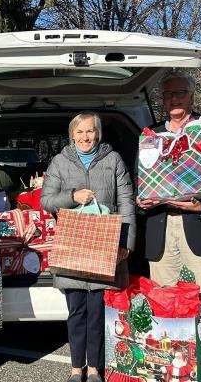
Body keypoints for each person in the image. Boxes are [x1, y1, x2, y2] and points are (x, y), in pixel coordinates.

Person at [136, 71, 201, 382]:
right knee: (166, 304)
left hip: (200, 226)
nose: (174, 99)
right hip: (161, 229)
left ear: (192, 96)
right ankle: (174, 367)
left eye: (180, 93)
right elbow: (141, 178)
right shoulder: (149, 134)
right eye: (168, 95)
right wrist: (143, 202)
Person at [41, 111, 136, 382]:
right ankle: (75, 369)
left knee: (97, 312)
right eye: (80, 132)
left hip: (104, 246)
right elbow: (46, 201)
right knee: (76, 313)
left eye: (90, 131)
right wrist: (72, 196)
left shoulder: (113, 160)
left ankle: (94, 368)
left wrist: (126, 244)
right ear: (72, 135)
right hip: (74, 245)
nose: (85, 136)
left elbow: (127, 202)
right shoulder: (60, 162)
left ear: (98, 133)